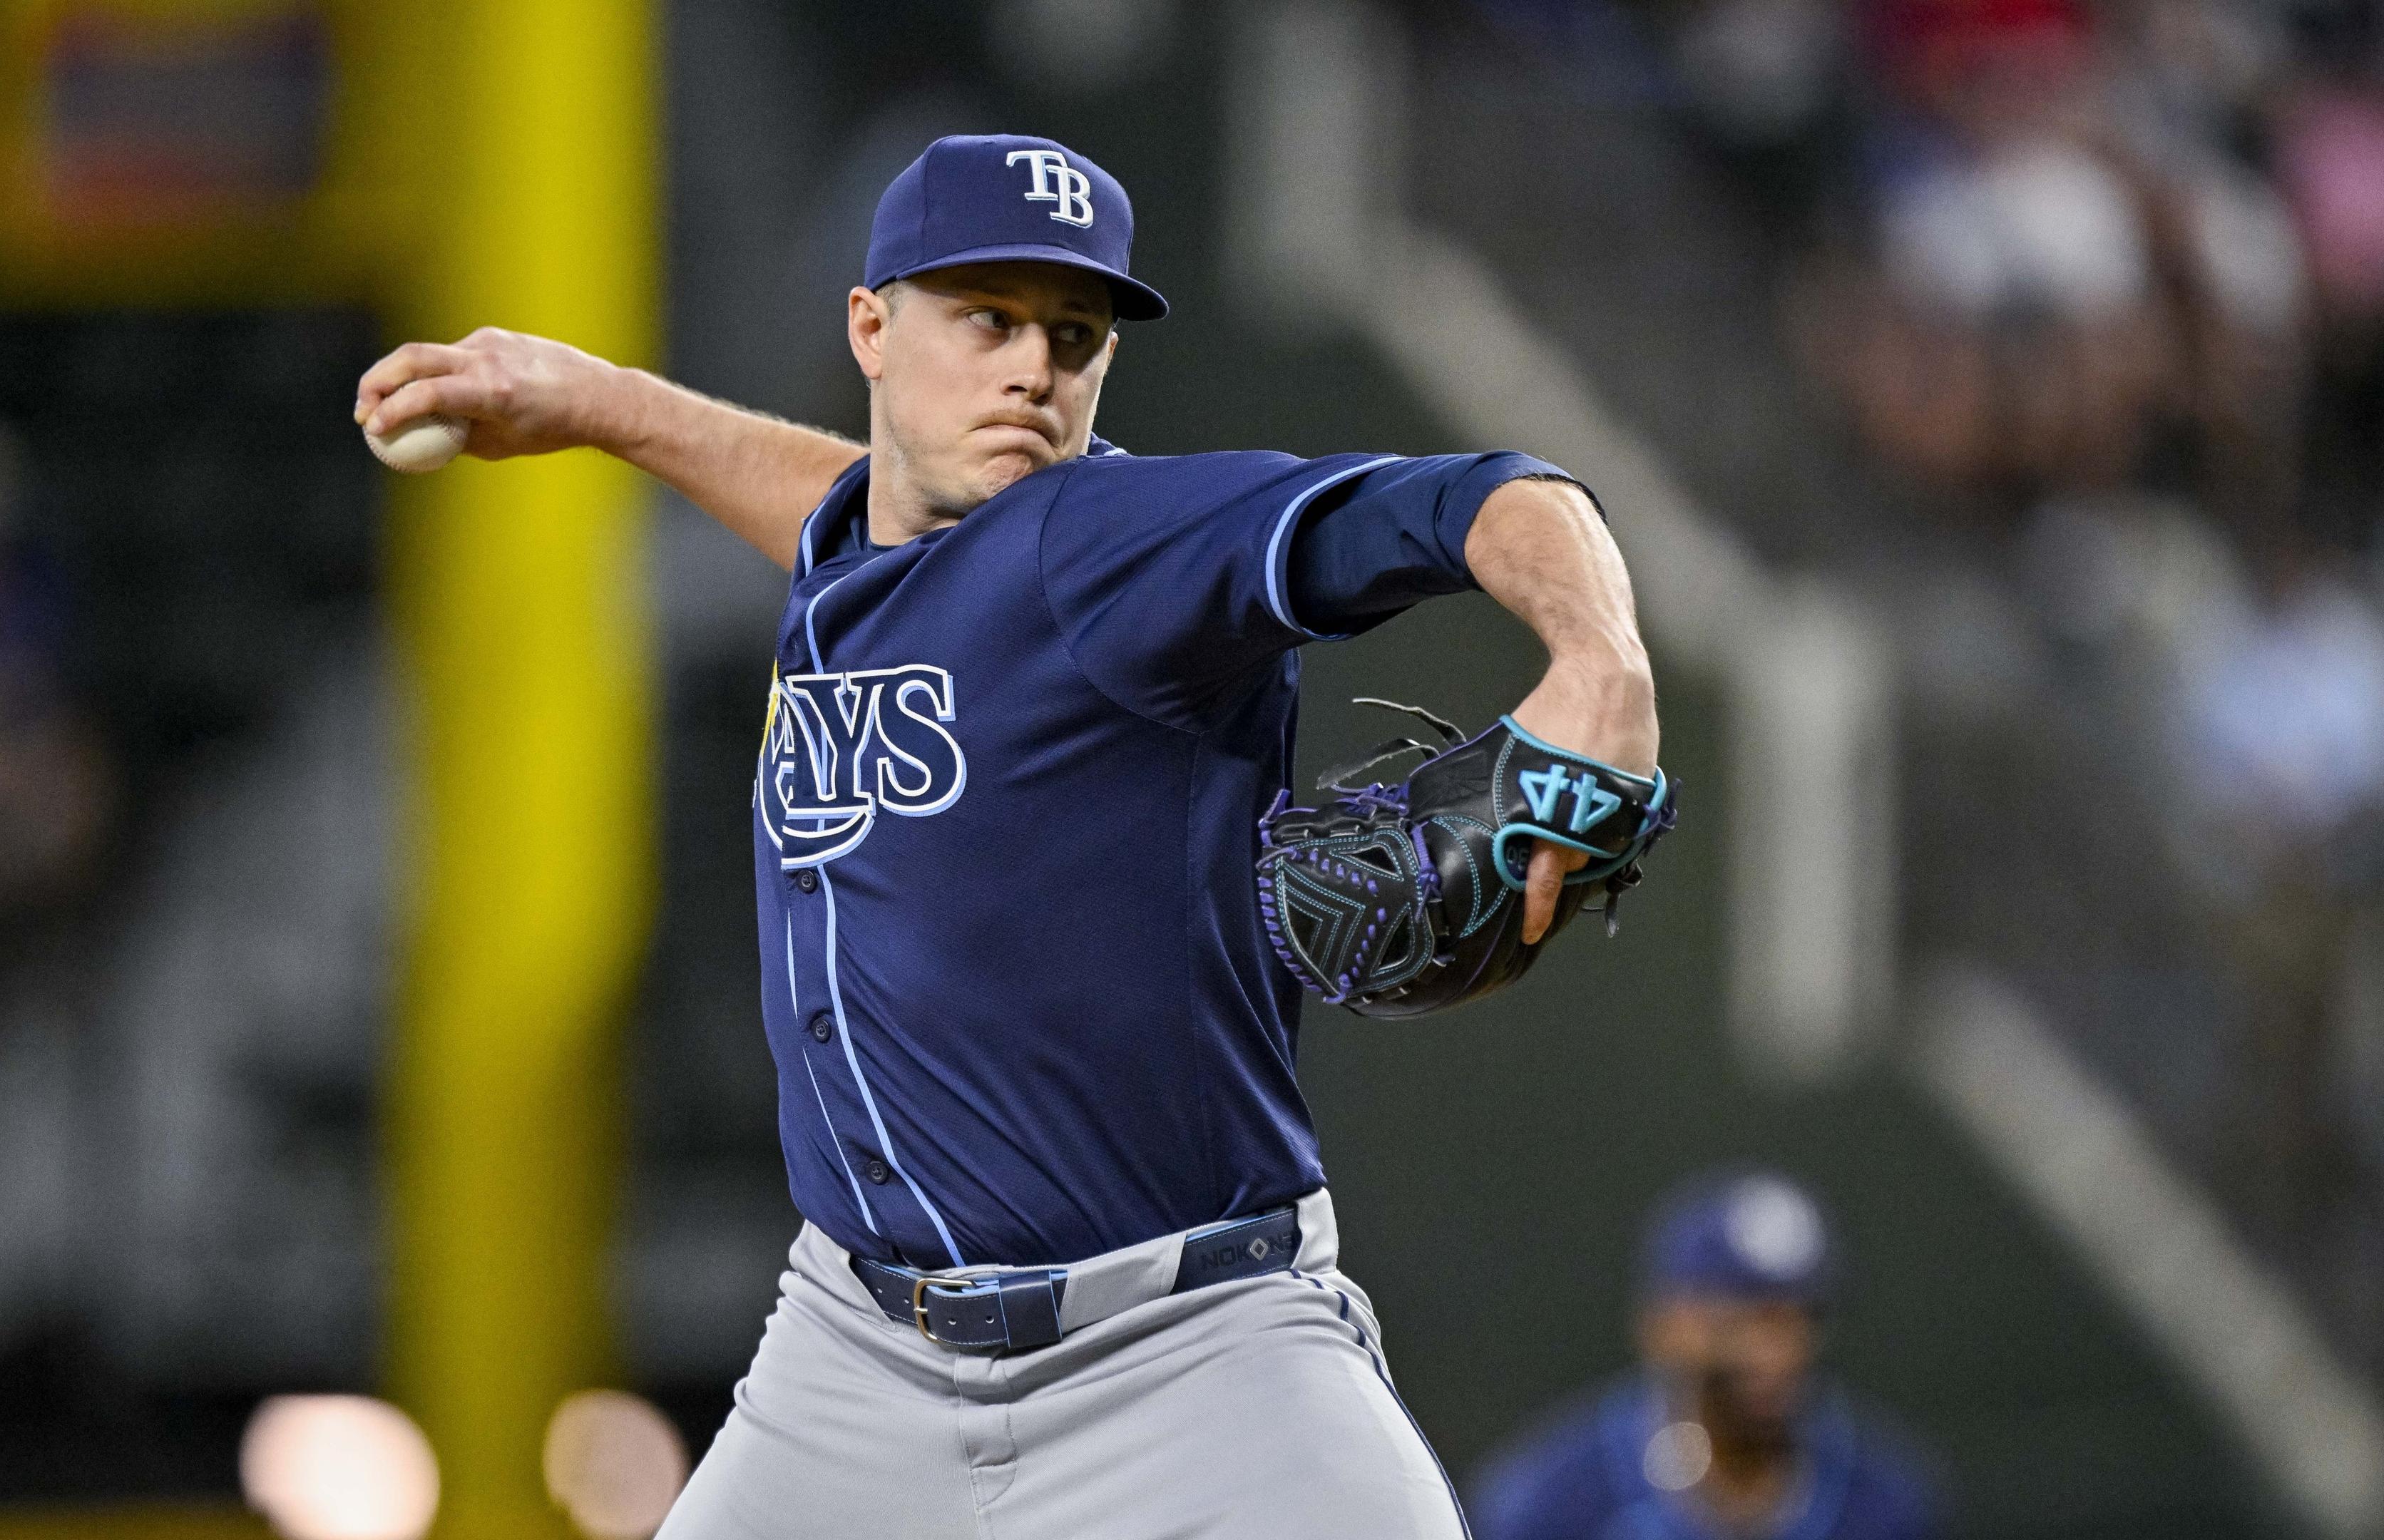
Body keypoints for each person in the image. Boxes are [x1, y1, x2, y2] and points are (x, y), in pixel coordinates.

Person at [354, 133, 1659, 1539]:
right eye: (986, 319)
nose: (1032, 370)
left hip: (1193, 1351)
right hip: (853, 1356)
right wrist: (597, 401)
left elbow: (1478, 497)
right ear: (871, 325)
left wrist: (1601, 657)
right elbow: (836, 511)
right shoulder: (871, 551)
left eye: (1074, 333)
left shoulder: (1111, 541)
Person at [1471, 1171, 1943, 1540]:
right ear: (1663, 1327)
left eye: (1797, 1320)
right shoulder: (1557, 1503)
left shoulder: (1884, 1503)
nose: (1772, 1352)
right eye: (1738, 1319)